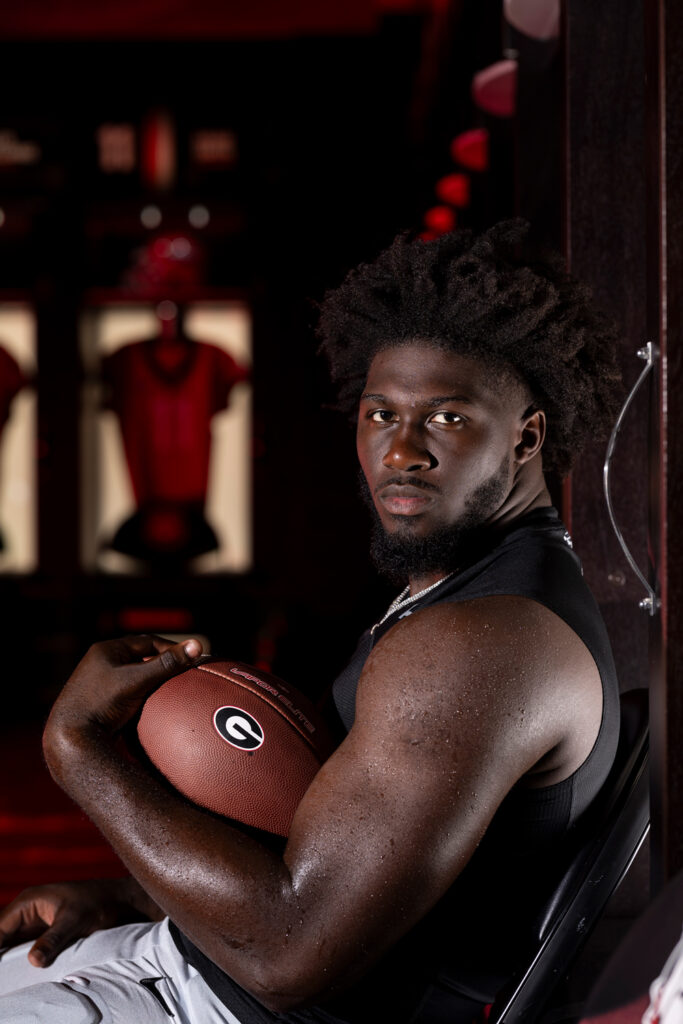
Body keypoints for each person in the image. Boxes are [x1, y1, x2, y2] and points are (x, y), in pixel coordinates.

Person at [0, 220, 623, 1024]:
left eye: (447, 418)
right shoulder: (468, 594)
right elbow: (336, 865)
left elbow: (291, 954)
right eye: (378, 414)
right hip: (191, 962)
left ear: (526, 436)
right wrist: (126, 893)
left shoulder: (482, 645)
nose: (401, 451)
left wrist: (78, 749)